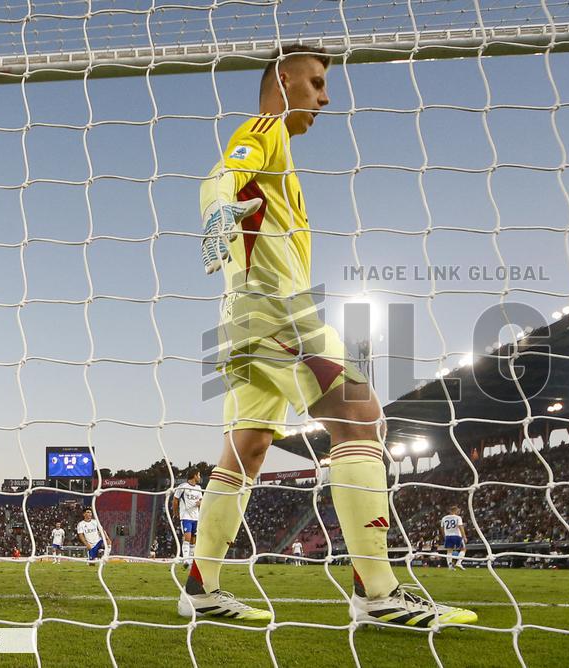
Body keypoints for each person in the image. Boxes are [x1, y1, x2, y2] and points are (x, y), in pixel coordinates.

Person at [182, 44, 476, 628]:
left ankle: (201, 586)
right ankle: (378, 592)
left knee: (248, 449)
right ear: (284, 79)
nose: (326, 97)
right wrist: (217, 216)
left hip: (241, 319)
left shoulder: (279, 152)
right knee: (362, 417)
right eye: (316, 83)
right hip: (276, 311)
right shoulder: (263, 129)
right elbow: (222, 175)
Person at [172, 470, 204, 569]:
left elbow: (201, 501)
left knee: (194, 540)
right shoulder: (182, 486)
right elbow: (175, 500)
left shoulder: (198, 488)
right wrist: (176, 512)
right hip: (186, 516)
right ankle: (185, 559)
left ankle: (190, 562)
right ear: (194, 476)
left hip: (196, 517)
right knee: (187, 537)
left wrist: (200, 503)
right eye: (199, 475)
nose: (199, 477)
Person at [440, 506, 467, 570]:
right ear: (455, 511)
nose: (458, 512)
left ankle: (450, 566)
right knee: (463, 549)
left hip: (448, 536)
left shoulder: (444, 518)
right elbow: (460, 527)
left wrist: (444, 536)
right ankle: (459, 563)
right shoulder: (458, 518)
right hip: (457, 535)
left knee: (449, 551)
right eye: (458, 511)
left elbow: (442, 528)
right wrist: (464, 536)